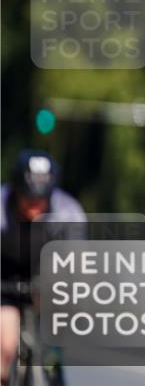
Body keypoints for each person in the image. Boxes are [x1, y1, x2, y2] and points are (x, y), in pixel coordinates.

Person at [1, 150, 86, 386]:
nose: (34, 205)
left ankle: (51, 362)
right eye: (28, 197)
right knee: (6, 347)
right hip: (4, 279)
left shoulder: (68, 212)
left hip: (47, 275)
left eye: (41, 198)